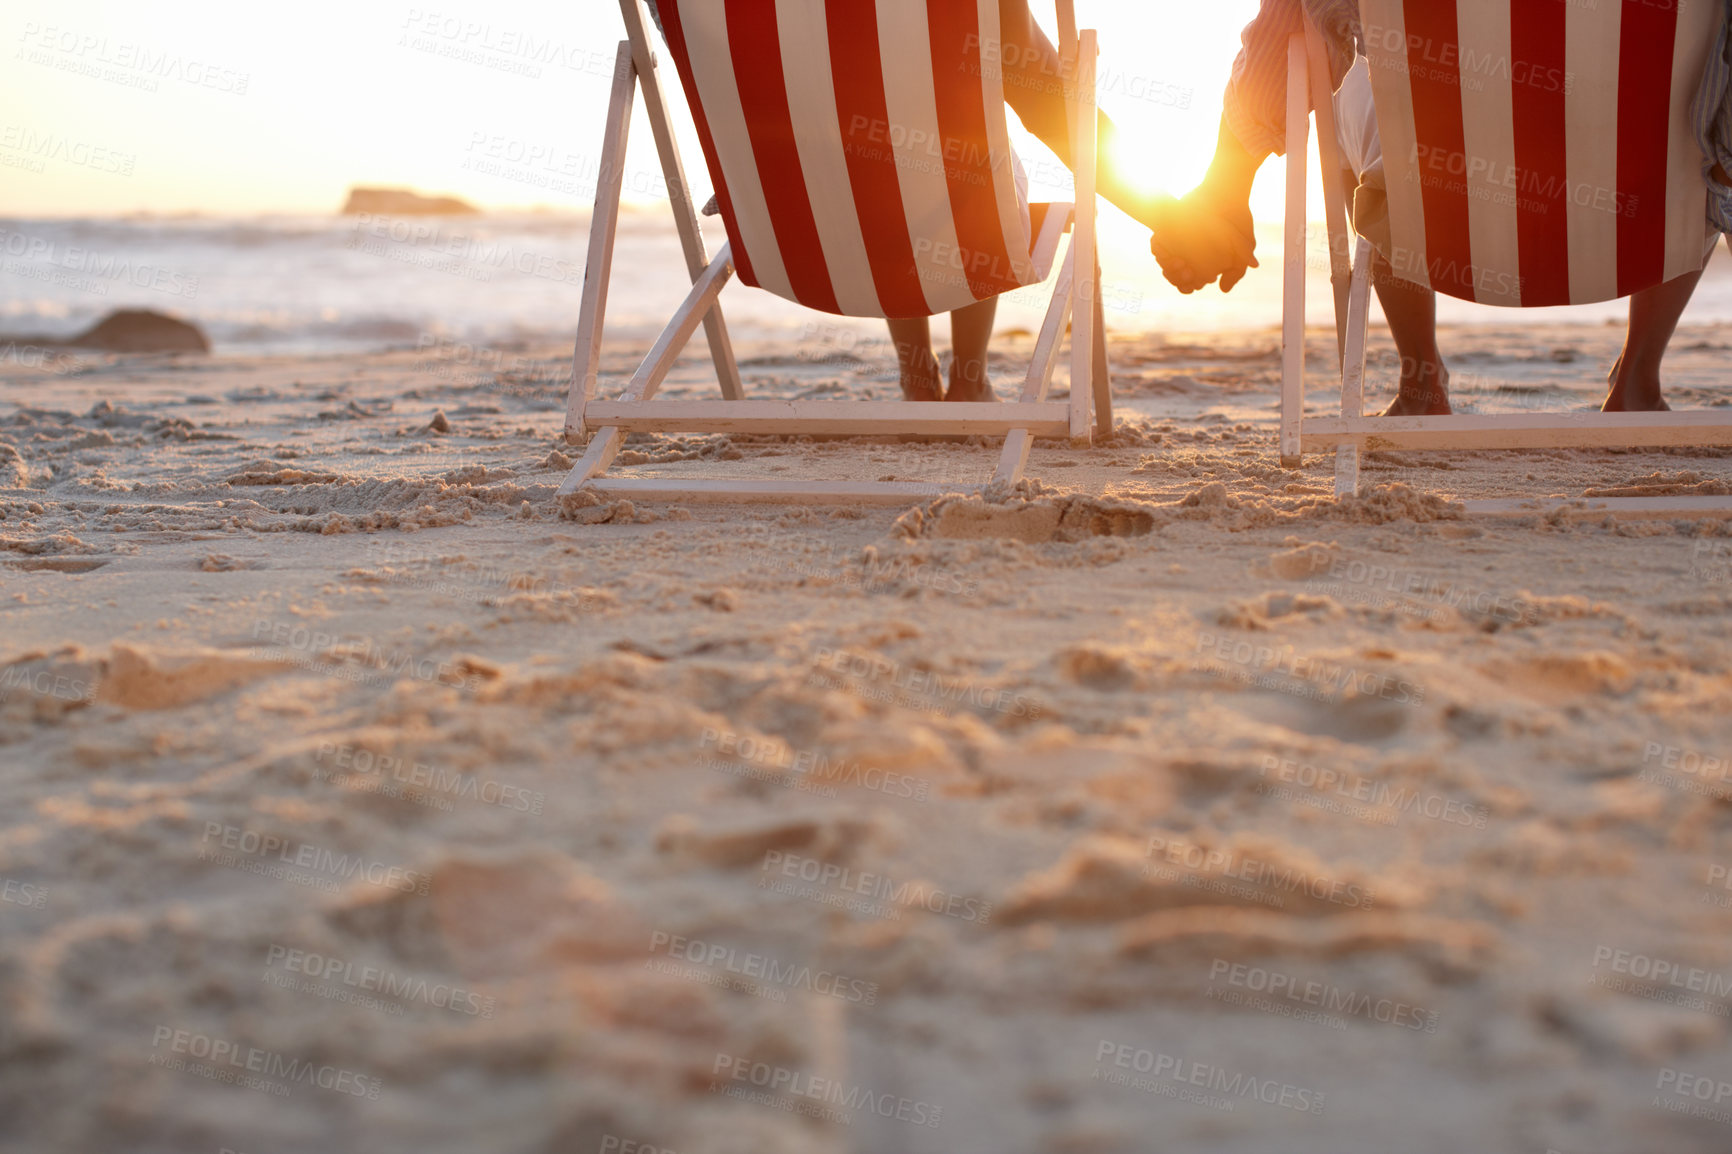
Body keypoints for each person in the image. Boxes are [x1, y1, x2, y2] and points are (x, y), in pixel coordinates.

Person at [1149, 0, 1732, 414]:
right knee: (1707, 137)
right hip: (1638, 178)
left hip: (1435, 175)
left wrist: (1225, 189)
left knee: (1351, 107)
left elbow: (1286, 40)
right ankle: (1638, 380)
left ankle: (1421, 384)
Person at [646, 0, 1169, 404]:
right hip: (948, 192)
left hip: (798, 228)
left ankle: (917, 373)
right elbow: (1046, 98)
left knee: (873, 161)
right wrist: (1174, 217)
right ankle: (970, 380)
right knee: (966, 158)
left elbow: (694, 48)